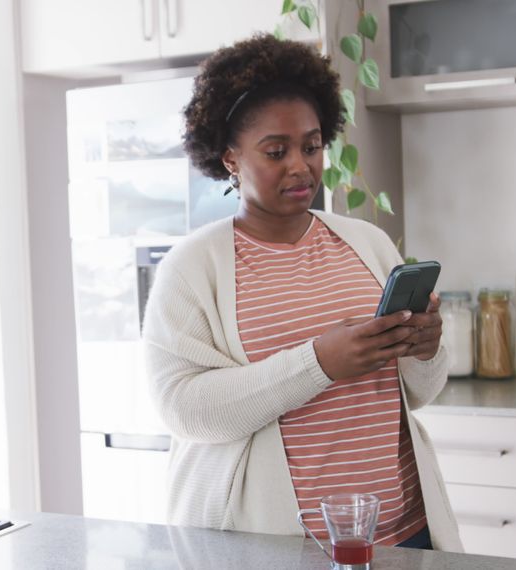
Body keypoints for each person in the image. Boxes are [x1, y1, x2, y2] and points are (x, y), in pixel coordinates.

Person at [141, 34, 462, 552]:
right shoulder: (194, 268)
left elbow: (417, 393)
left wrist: (424, 349)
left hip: (404, 536)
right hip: (275, 546)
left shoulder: (366, 242)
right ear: (229, 158)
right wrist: (319, 363)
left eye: (312, 146)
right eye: (276, 151)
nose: (301, 165)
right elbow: (186, 410)